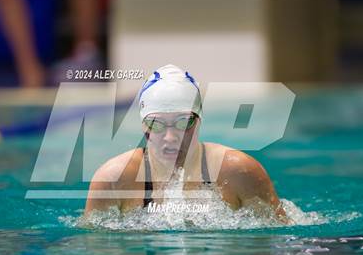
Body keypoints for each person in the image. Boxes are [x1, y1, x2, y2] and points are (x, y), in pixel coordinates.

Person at [85, 64, 287, 222]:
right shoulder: (114, 179)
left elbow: (277, 247)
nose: (171, 137)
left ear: (199, 120)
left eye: (183, 122)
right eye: (156, 124)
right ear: (143, 126)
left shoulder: (239, 171)